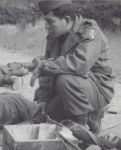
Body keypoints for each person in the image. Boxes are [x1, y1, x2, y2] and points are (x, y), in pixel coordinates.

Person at [31, 0, 116, 134]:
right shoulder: (54, 37)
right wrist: (43, 99)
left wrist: (43, 66)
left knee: (64, 78)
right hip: (70, 90)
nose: (46, 26)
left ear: (66, 19)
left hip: (97, 91)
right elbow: (48, 73)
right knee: (41, 119)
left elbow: (80, 63)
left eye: (50, 21)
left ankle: (87, 123)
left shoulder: (90, 30)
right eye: (45, 21)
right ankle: (74, 115)